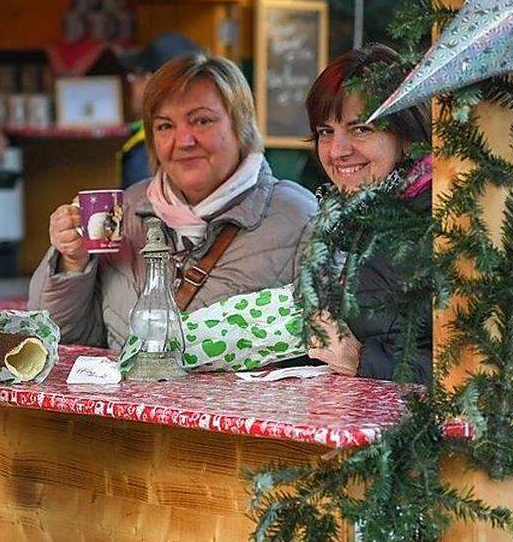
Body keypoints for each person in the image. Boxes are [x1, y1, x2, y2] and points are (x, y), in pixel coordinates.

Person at [29, 53, 319, 349]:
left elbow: (326, 355)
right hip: (133, 395)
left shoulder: (299, 219)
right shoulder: (127, 209)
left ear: (240, 125)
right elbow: (65, 343)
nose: (184, 141)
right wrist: (73, 263)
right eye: (165, 126)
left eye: (201, 121)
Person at [304, 43, 434, 383]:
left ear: (407, 136)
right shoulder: (339, 221)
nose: (337, 151)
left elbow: (502, 370)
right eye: (325, 132)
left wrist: (362, 361)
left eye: (361, 129)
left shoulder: (447, 220)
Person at [117, 33, 205, 188]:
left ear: (155, 81)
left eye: (138, 74)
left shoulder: (145, 150)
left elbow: (141, 209)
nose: (132, 83)